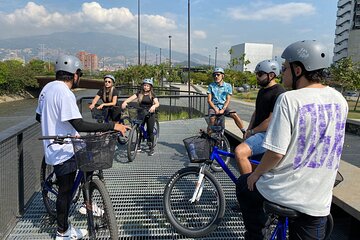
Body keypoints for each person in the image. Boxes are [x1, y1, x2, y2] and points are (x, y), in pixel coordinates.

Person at [236, 40, 348, 240]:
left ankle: (256, 236)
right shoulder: (340, 99)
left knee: (245, 184)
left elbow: (276, 153)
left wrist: (256, 174)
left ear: (298, 70)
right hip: (319, 201)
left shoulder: (289, 99)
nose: (282, 73)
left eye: (285, 68)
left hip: (285, 191)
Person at [36, 55, 129, 240]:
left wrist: (60, 126)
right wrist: (112, 126)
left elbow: (39, 117)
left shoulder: (47, 88)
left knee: (88, 165)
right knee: (65, 192)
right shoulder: (65, 92)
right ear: (75, 74)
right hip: (62, 149)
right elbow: (79, 124)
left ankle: (87, 201)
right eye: (79, 74)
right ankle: (62, 232)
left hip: (59, 144)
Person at [234, 60, 285, 174]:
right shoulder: (262, 91)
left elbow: (271, 120)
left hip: (267, 134)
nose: (257, 77)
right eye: (256, 74)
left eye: (260, 74)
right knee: (254, 166)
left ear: (271, 75)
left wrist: (252, 131)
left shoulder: (279, 92)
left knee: (240, 152)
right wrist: (248, 130)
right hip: (257, 133)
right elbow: (256, 112)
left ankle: (245, 187)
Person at [121, 78, 160, 156]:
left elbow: (157, 103)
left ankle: (151, 147)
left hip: (150, 113)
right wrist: (125, 102)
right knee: (139, 129)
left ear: (150, 87)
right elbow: (130, 98)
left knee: (150, 131)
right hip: (141, 112)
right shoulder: (139, 93)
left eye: (148, 86)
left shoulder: (152, 94)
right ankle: (137, 146)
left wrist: (154, 106)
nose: (146, 87)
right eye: (145, 85)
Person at [207, 67, 246, 135]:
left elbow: (228, 99)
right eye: (214, 75)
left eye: (218, 75)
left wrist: (223, 109)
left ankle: (244, 132)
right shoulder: (211, 86)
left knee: (234, 114)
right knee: (212, 120)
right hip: (214, 106)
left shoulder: (228, 86)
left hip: (223, 106)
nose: (216, 76)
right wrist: (215, 109)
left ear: (223, 76)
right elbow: (209, 100)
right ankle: (208, 137)